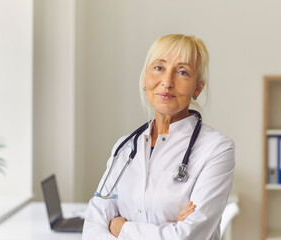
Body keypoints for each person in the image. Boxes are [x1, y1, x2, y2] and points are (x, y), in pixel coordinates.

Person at [82, 34, 235, 240]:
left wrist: (121, 229)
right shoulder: (124, 147)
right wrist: (168, 229)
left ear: (197, 88)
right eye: (159, 68)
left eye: (182, 72)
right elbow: (93, 225)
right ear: (146, 78)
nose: (167, 82)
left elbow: (187, 237)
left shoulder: (217, 149)